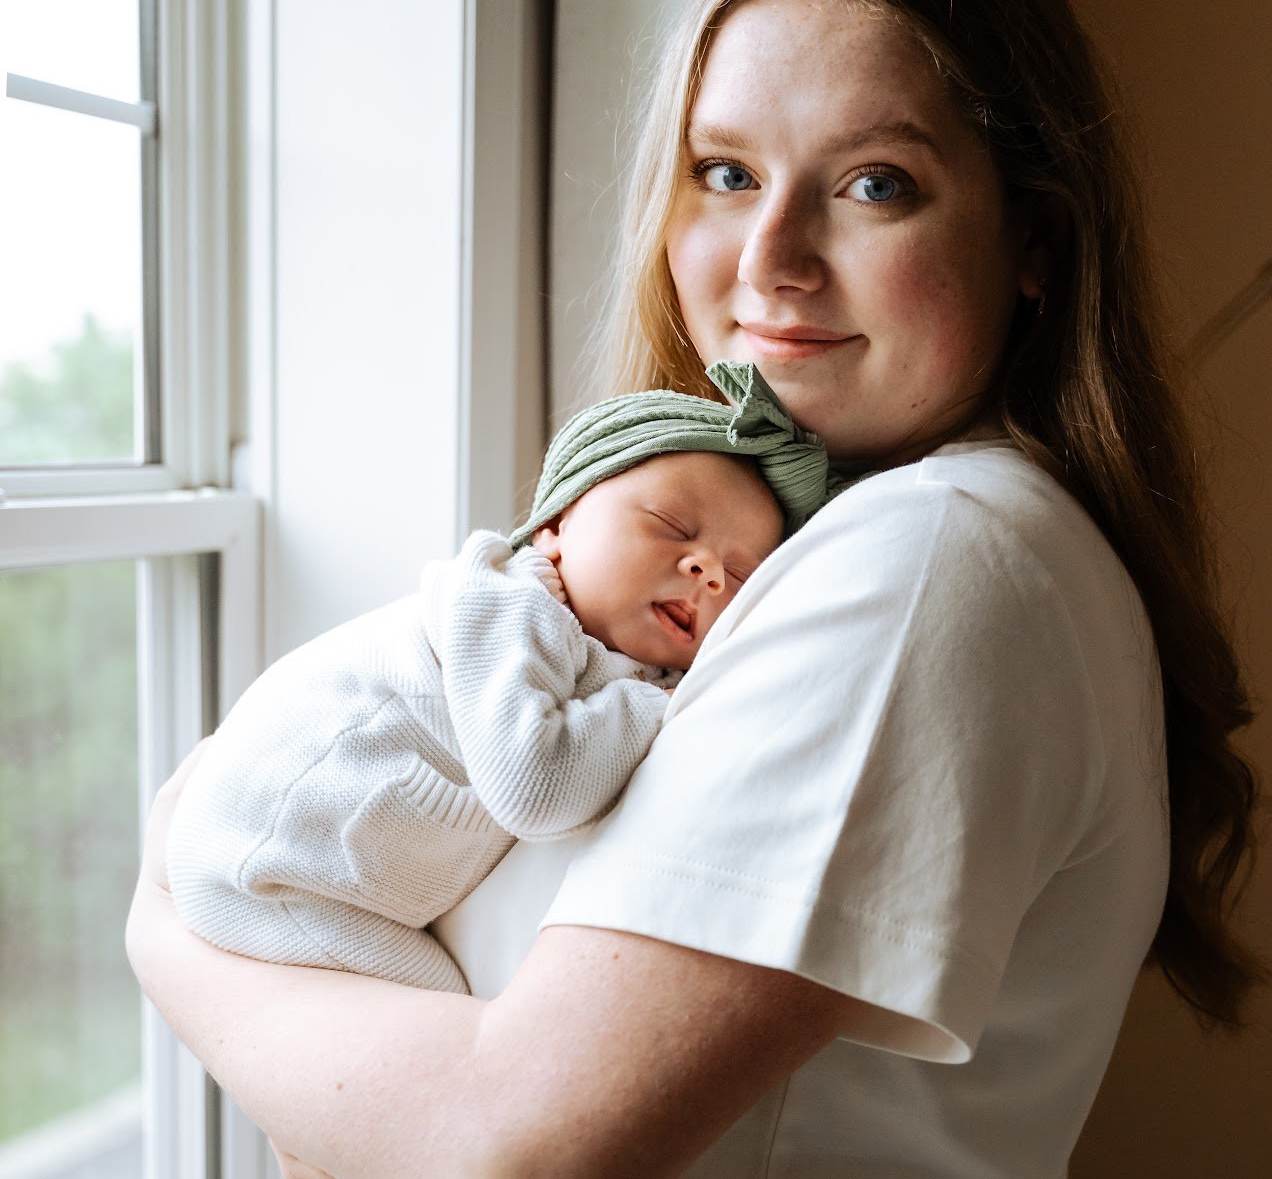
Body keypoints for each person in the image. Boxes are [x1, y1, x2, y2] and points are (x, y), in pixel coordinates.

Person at [126, 0, 1261, 1179]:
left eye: (875, 184)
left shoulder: (930, 577)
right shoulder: (749, 542)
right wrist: (343, 1088)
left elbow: (511, 1171)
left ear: (1035, 231)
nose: (768, 267)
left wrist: (175, 925)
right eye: (724, 175)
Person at [166, 361, 822, 1008]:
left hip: (325, 877)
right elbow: (536, 790)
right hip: (265, 873)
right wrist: (659, 703)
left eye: (739, 577)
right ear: (556, 524)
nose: (706, 570)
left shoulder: (604, 651)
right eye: (672, 527)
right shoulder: (504, 602)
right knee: (452, 1033)